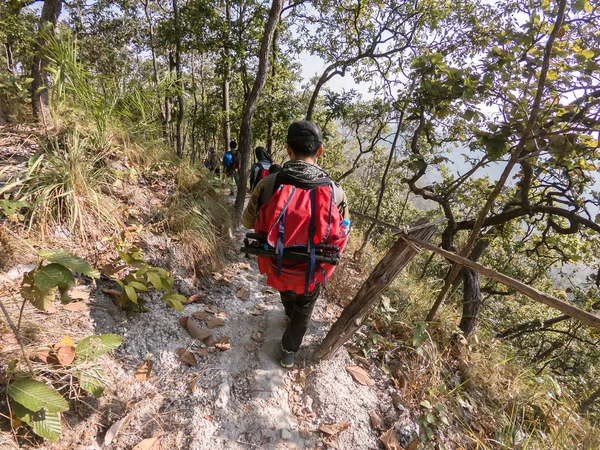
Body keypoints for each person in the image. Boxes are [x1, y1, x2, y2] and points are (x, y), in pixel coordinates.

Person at [243, 120, 350, 368]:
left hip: (278, 261)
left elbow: (248, 221)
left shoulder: (268, 184)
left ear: (288, 149)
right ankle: (289, 351)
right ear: (320, 150)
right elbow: (341, 230)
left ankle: (289, 312)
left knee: (287, 289)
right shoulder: (336, 192)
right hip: (313, 268)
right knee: (305, 305)